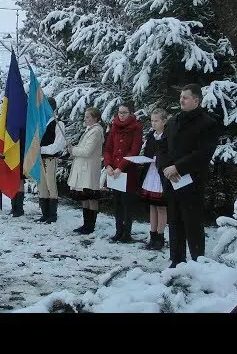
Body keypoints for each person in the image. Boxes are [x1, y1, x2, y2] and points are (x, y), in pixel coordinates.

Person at [162, 84, 220, 268]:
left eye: (185, 97)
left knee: (192, 222)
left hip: (192, 180)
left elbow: (203, 153)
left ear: (196, 100)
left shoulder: (208, 124)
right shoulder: (172, 121)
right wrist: (165, 168)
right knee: (174, 221)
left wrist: (178, 167)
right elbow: (162, 147)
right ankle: (176, 260)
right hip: (171, 180)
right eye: (181, 97)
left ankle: (198, 261)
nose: (181, 100)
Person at [103, 102, 143, 242]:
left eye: (124, 112)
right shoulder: (114, 126)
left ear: (130, 113)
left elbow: (134, 150)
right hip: (114, 171)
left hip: (127, 170)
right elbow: (108, 148)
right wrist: (108, 165)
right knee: (117, 202)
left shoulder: (136, 128)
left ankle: (127, 232)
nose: (121, 115)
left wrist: (121, 166)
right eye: (119, 112)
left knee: (127, 202)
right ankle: (118, 230)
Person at [67, 107, 105, 234]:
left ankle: (90, 225)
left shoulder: (96, 132)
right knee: (85, 197)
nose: (85, 118)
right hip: (84, 168)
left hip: (90, 169)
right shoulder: (90, 130)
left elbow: (88, 150)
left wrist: (74, 150)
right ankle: (85, 224)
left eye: (88, 117)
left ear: (95, 118)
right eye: (85, 116)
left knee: (91, 197)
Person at [138, 108, 169, 250]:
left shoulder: (168, 136)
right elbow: (148, 152)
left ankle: (160, 237)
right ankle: (153, 236)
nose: (153, 123)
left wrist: (159, 160)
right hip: (151, 172)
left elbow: (170, 154)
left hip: (161, 174)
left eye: (156, 121)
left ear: (164, 121)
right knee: (152, 206)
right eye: (152, 121)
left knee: (161, 207)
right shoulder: (151, 136)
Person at [36, 97, 67, 224]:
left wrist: (41, 149)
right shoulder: (40, 123)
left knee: (50, 185)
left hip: (50, 158)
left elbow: (58, 145)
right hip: (40, 158)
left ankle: (52, 214)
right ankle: (45, 213)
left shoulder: (58, 123)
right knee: (42, 185)